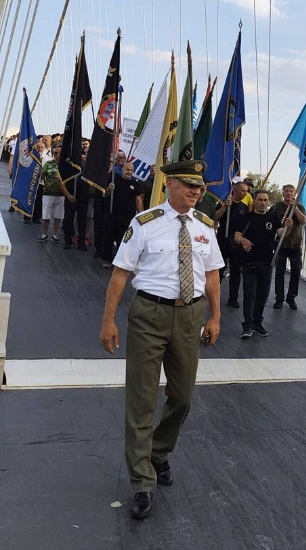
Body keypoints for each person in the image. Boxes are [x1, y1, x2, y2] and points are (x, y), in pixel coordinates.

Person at [99, 159, 224, 520]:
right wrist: (108, 321)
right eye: (189, 185)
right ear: (169, 184)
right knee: (141, 398)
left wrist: (215, 317)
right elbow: (121, 272)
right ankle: (142, 481)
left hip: (190, 315)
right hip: (149, 315)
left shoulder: (205, 226)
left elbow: (212, 272)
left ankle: (157, 453)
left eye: (199, 188)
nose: (196, 192)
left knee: (182, 396)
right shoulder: (144, 224)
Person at [233, 190, 287, 338]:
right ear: (255, 201)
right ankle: (247, 325)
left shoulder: (273, 218)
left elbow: (282, 233)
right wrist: (243, 240)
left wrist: (288, 227)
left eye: (265, 200)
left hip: (267, 263)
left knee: (262, 296)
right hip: (249, 263)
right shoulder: (246, 218)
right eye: (260, 200)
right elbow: (237, 235)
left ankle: (257, 323)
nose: (263, 203)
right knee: (249, 294)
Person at [101, 162, 144, 267]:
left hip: (127, 217)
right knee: (108, 238)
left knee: (123, 241)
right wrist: (109, 189)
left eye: (131, 170)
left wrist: (141, 214)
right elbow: (104, 195)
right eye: (127, 169)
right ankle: (107, 260)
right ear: (123, 170)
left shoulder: (135, 184)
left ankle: (119, 261)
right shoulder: (114, 180)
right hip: (112, 214)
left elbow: (138, 200)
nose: (129, 172)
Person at [272, 183, 306, 310]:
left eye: (291, 191)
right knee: (280, 272)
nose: (289, 193)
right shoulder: (276, 207)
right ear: (282, 193)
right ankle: (279, 298)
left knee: (296, 272)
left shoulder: (300, 207)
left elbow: (303, 221)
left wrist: (295, 208)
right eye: (286, 191)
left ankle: (291, 298)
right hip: (281, 244)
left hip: (295, 245)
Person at [218, 180, 250, 307]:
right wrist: (225, 207)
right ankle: (214, 295)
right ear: (235, 190)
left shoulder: (244, 207)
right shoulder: (225, 203)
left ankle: (233, 298)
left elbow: (247, 224)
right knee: (219, 269)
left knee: (236, 272)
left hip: (236, 243)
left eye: (246, 191)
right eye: (243, 191)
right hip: (223, 239)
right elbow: (215, 217)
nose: (245, 193)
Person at [38, 145, 73, 243]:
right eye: (55, 152)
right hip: (48, 193)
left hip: (61, 195)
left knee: (58, 216)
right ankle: (44, 234)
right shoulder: (50, 163)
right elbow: (44, 177)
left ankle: (55, 235)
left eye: (58, 152)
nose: (56, 154)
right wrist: (44, 173)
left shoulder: (67, 165)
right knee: (46, 215)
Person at [62, 151, 91, 250]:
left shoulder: (86, 168)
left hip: (83, 197)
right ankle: (67, 241)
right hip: (70, 196)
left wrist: (83, 159)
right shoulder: (68, 167)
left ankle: (81, 242)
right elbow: (62, 182)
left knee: (82, 220)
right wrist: (68, 195)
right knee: (68, 220)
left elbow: (91, 171)